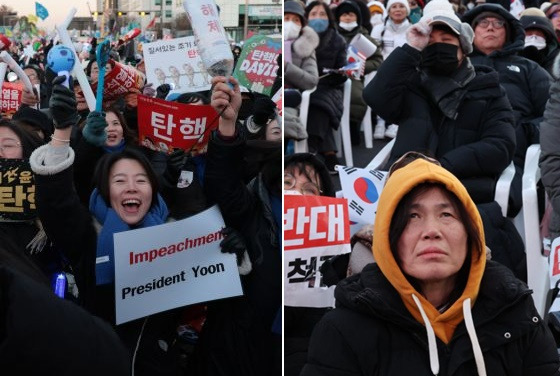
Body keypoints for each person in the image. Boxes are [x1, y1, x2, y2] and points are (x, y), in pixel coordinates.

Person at [301, 156, 560, 375]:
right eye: (412, 216)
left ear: (472, 233)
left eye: (446, 214)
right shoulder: (343, 331)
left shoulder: (516, 313)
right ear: (385, 237)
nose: (431, 231)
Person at [29, 76, 186, 374]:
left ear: (153, 190)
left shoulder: (176, 240)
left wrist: (227, 247)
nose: (131, 188)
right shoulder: (89, 235)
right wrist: (62, 133)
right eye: (119, 181)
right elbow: (57, 202)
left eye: (140, 180)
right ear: (104, 191)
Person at [364, 0, 526, 278]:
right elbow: (375, 96)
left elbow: (500, 146)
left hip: (465, 193)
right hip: (407, 192)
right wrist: (410, 48)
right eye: (430, 41)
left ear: (463, 48)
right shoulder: (412, 87)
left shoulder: (489, 90)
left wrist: (442, 166)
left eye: (447, 39)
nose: (438, 45)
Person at [195, 75, 281, 376]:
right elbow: (222, 186)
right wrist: (228, 126)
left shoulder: (328, 217)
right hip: (240, 341)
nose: (298, 182)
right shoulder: (253, 200)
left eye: (308, 179)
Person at [462, 3, 552, 216]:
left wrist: (525, 132)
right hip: (460, 152)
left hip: (513, 156)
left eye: (498, 23)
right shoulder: (455, 66)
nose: (490, 27)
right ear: (470, 32)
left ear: (509, 32)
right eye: (483, 23)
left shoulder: (528, 69)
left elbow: (552, 115)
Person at [304, 1, 348, 171]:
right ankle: (329, 151)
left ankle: (313, 147)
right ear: (307, 17)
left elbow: (342, 68)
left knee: (318, 102)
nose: (318, 18)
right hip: (303, 85)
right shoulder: (299, 38)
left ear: (329, 18)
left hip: (329, 86)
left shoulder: (337, 40)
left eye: (322, 14)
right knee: (310, 97)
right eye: (314, 14)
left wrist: (342, 73)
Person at [335, 1, 383, 145]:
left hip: (355, 77)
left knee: (355, 93)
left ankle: (352, 125)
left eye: (351, 14)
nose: (348, 18)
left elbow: (378, 60)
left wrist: (360, 67)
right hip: (334, 75)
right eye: (344, 15)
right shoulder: (333, 36)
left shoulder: (365, 38)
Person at [370, 0, 411, 139]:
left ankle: (395, 124)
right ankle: (380, 123)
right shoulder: (378, 29)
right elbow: (373, 52)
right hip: (382, 68)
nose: (398, 10)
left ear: (407, 10)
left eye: (401, 6)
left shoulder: (412, 29)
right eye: (394, 6)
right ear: (388, 11)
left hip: (405, 70)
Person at [284, 0, 320, 147]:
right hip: (268, 94)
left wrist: (287, 67)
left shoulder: (306, 48)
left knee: (281, 118)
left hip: (290, 97)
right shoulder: (268, 44)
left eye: (296, 20)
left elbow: (312, 80)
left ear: (301, 25)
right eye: (286, 18)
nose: (291, 23)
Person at [519, 7, 560, 75]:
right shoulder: (508, 58)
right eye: (529, 34)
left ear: (547, 38)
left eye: (539, 34)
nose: (534, 37)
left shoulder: (556, 60)